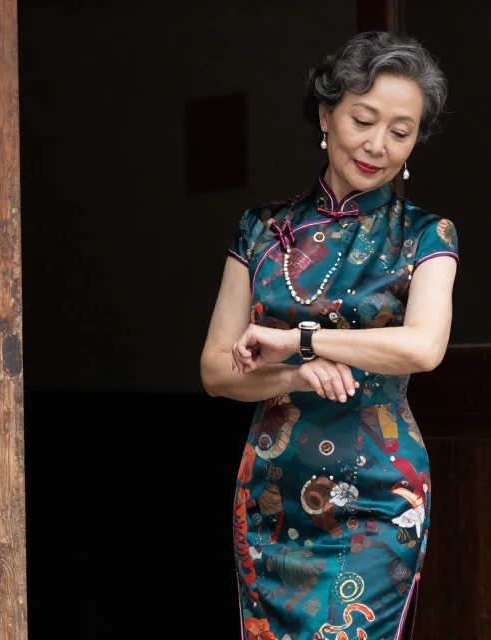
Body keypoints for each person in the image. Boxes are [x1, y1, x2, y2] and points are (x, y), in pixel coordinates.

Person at [200, 31, 458, 640]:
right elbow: (215, 369)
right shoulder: (262, 230)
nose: (377, 146)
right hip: (272, 493)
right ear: (326, 113)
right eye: (363, 120)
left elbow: (423, 347)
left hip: (378, 494)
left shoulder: (426, 235)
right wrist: (292, 375)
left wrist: (301, 341)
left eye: (401, 131)